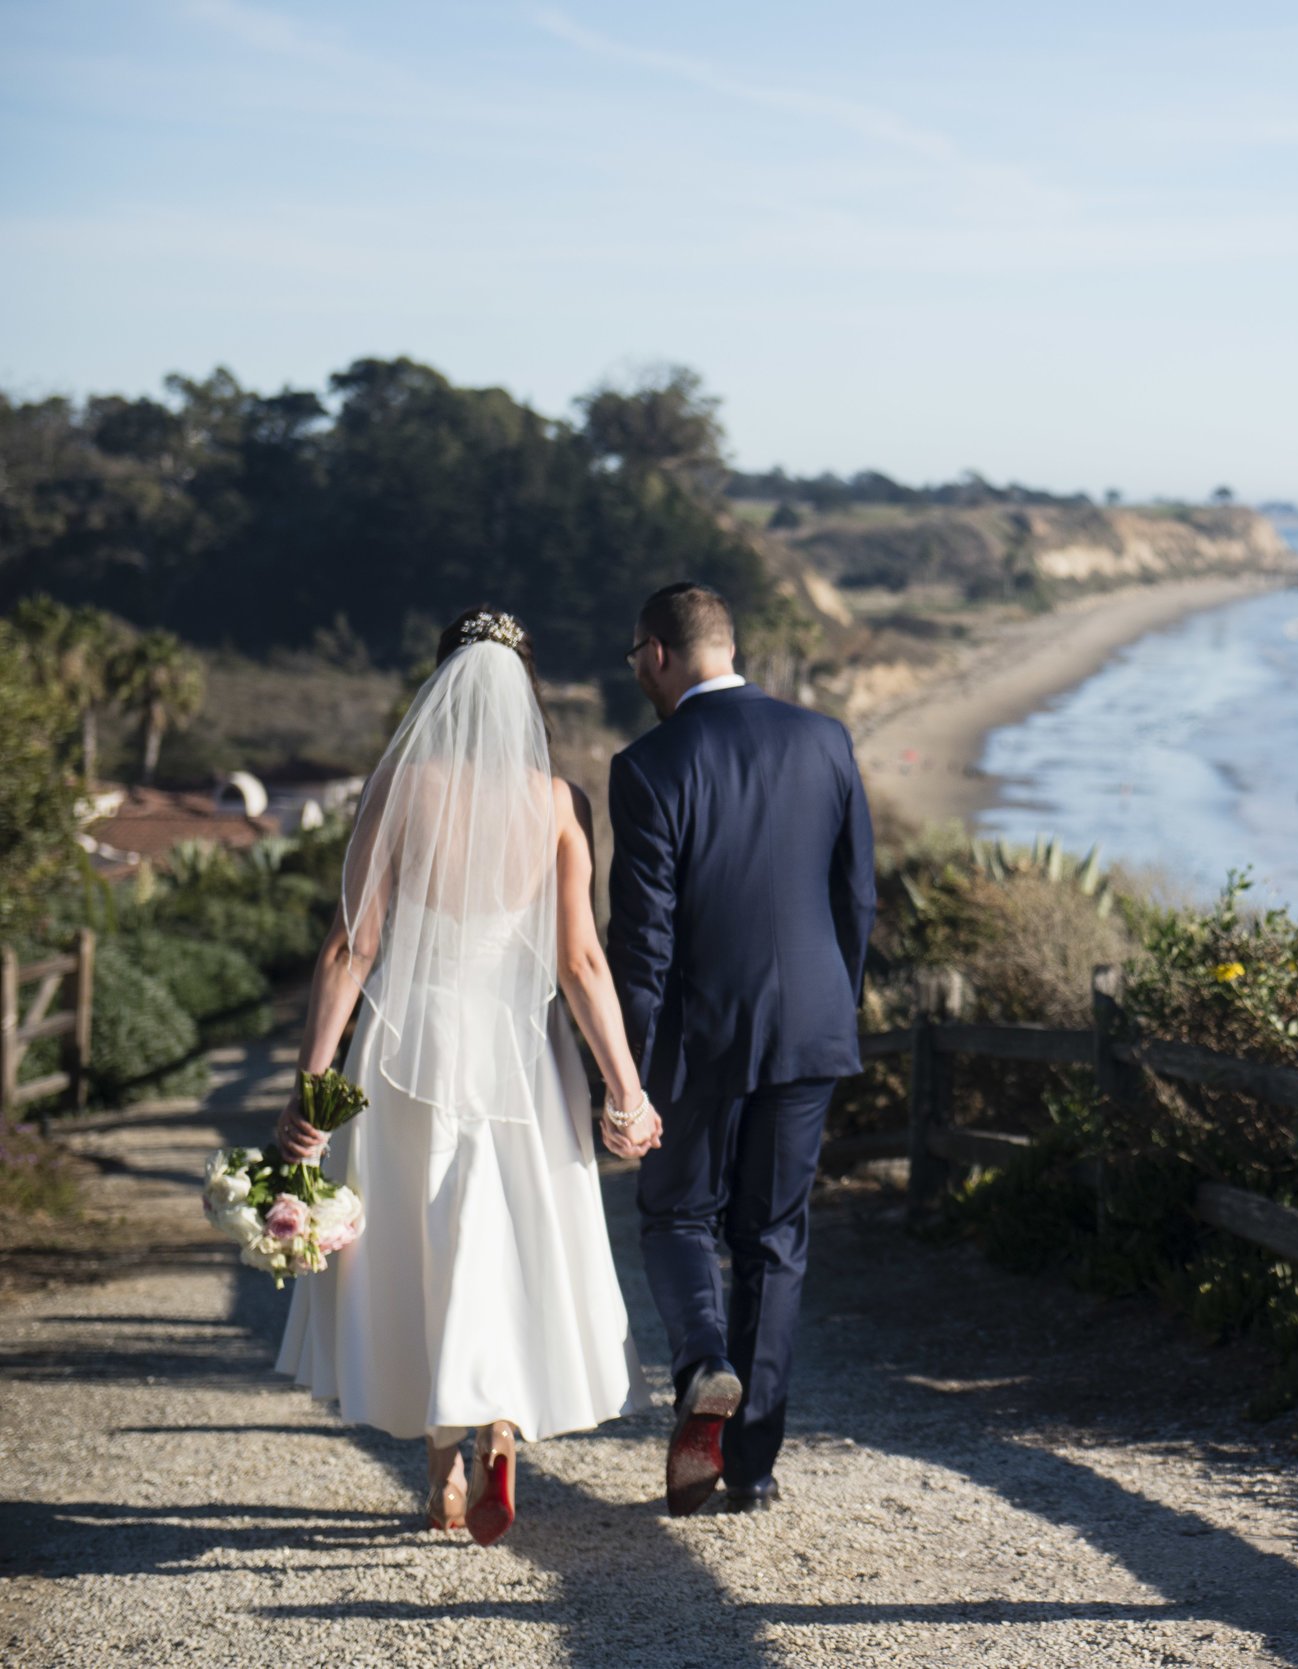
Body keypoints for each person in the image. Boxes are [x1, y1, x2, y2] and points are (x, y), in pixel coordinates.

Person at [274, 608, 661, 1546]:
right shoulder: (560, 802)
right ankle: (500, 1433)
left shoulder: (398, 788)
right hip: (520, 1058)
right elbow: (582, 963)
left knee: (423, 1242)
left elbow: (352, 946)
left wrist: (312, 1087)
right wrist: (625, 1088)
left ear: (438, 687)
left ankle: (443, 1475)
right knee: (502, 1237)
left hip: (410, 1048)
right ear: (526, 694)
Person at [609, 582, 876, 1515]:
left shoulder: (646, 765)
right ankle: (753, 1467)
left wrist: (628, 1076)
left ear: (657, 654)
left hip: (699, 1036)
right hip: (811, 1029)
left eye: (635, 657)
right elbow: (856, 901)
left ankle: (703, 1360)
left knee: (677, 1214)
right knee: (772, 1240)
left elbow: (643, 941)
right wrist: (830, 1006)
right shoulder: (827, 739)